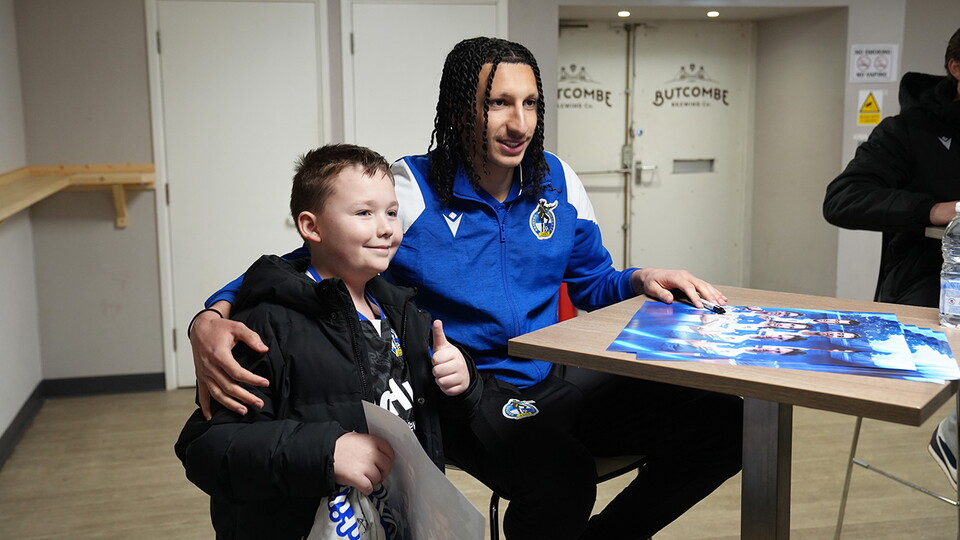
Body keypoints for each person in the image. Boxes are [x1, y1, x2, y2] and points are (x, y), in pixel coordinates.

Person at [190, 37, 743, 539]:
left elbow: (595, 282)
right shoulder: (410, 189)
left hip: (553, 377)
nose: (519, 123)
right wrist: (211, 316)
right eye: (498, 103)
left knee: (731, 423)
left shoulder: (558, 179)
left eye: (530, 104)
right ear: (459, 111)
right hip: (464, 390)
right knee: (560, 481)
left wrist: (641, 278)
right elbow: (311, 259)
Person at [174, 144, 480, 539]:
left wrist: (463, 381)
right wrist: (325, 452)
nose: (386, 227)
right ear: (311, 227)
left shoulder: (405, 315)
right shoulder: (267, 325)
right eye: (364, 213)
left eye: (391, 212)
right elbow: (205, 448)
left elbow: (433, 421)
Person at [823, 28, 960, 491]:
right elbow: (842, 200)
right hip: (930, 285)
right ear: (956, 69)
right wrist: (936, 209)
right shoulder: (909, 130)